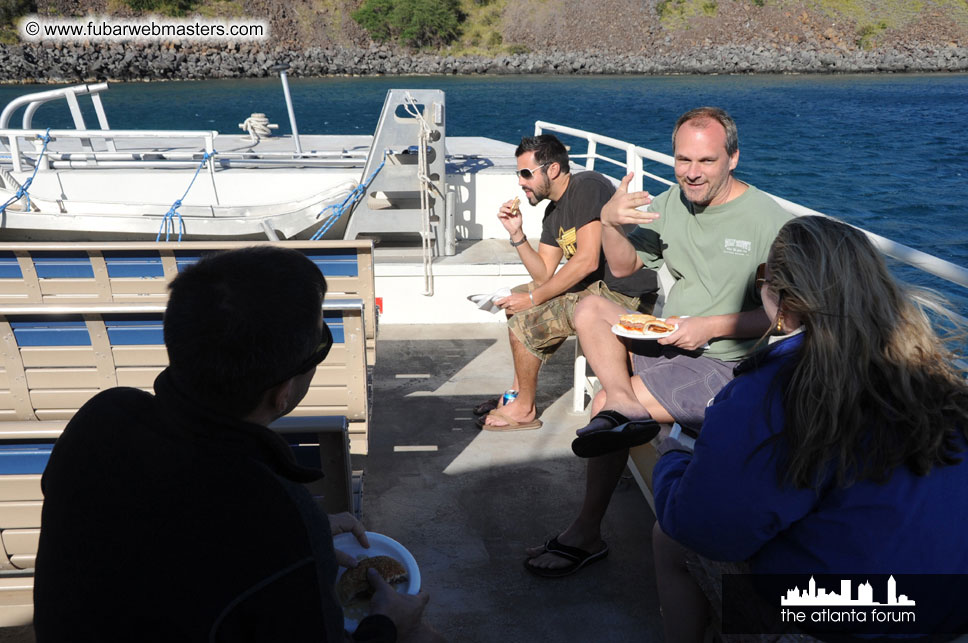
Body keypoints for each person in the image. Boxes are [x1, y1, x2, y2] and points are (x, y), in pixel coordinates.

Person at [34, 247, 439, 642]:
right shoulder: (274, 515)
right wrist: (388, 626)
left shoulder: (103, 417)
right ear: (281, 394)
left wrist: (305, 540)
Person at [651, 216, 968, 641]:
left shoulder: (774, 390)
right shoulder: (932, 372)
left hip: (855, 624)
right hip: (946, 610)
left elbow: (704, 528)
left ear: (782, 301)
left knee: (671, 538)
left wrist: (672, 462)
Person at [525, 107, 791, 576]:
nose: (692, 173)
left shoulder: (769, 222)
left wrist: (708, 327)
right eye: (683, 159)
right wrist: (609, 223)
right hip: (675, 338)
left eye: (706, 161)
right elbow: (625, 269)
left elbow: (782, 317)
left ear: (733, 158)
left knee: (602, 403)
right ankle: (626, 406)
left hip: (726, 362)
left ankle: (587, 531)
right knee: (591, 309)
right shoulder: (672, 203)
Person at [475, 133, 657, 430]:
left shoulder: (588, 187)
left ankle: (523, 410)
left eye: (526, 174)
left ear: (553, 170)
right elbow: (544, 274)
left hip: (622, 295)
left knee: (525, 316)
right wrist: (517, 234)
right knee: (515, 298)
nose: (520, 182)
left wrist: (533, 300)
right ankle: (518, 393)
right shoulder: (552, 213)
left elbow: (588, 260)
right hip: (594, 289)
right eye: (518, 174)